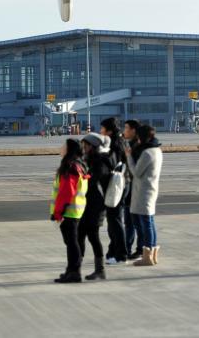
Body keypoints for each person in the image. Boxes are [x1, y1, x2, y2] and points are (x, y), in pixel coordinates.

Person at [50, 138, 88, 283]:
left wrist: (58, 212)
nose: (61, 148)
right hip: (75, 210)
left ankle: (74, 272)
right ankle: (71, 270)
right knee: (72, 243)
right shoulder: (79, 164)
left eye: (63, 146)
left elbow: (66, 192)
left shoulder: (70, 166)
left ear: (69, 149)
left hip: (69, 211)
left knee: (72, 243)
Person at [125, 123, 163, 266]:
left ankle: (147, 256)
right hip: (149, 189)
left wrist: (129, 157)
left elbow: (136, 172)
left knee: (146, 224)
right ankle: (151, 255)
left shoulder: (147, 153)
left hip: (143, 192)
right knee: (149, 222)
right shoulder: (157, 150)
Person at [78, 133, 113, 279]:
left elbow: (93, 181)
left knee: (92, 236)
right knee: (80, 235)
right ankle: (76, 268)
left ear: (93, 146)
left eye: (86, 145)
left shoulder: (101, 162)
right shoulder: (90, 160)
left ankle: (100, 270)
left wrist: (82, 176)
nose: (83, 147)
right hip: (87, 205)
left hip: (96, 206)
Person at [100, 117, 128, 265]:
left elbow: (111, 163)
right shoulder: (119, 141)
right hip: (120, 185)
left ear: (109, 130)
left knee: (115, 221)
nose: (101, 131)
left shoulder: (114, 144)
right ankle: (113, 252)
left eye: (102, 129)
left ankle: (121, 255)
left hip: (116, 186)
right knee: (114, 221)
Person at [119, 119, 141, 261]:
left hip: (135, 188)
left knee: (136, 221)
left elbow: (135, 169)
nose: (124, 131)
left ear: (133, 130)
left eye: (126, 128)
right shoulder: (128, 144)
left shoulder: (137, 147)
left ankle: (138, 249)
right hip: (128, 187)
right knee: (129, 221)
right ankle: (127, 248)